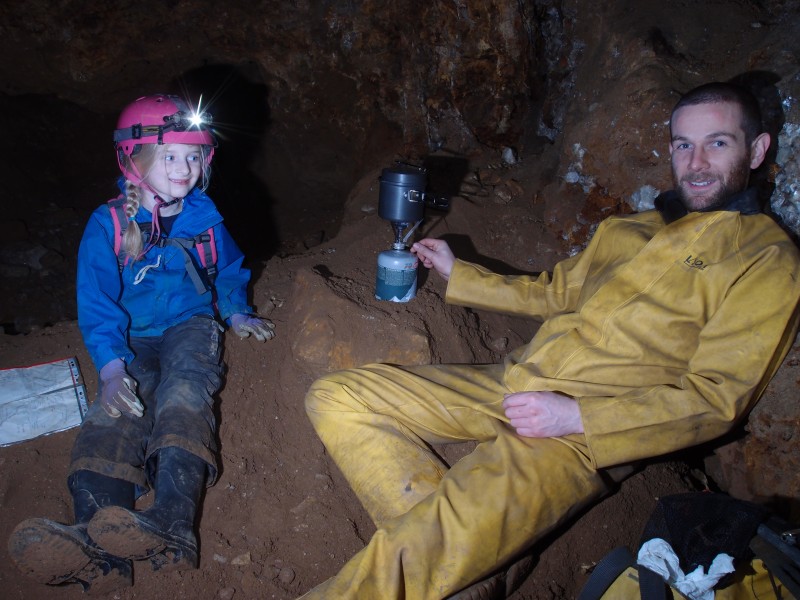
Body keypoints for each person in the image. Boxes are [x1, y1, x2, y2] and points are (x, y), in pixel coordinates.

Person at [299, 81, 800, 599]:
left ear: (757, 149)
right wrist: (460, 274)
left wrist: (576, 417)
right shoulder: (635, 229)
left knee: (397, 565)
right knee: (336, 396)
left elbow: (717, 400)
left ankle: (442, 546)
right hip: (512, 381)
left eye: (717, 143)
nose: (695, 163)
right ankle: (469, 555)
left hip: (575, 437)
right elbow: (555, 292)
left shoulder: (766, 261)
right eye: (682, 145)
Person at [7, 94, 275, 594]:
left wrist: (236, 311)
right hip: (131, 337)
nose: (185, 168)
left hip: (190, 325)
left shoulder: (205, 219)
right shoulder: (109, 224)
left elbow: (229, 270)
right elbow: (97, 302)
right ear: (136, 159)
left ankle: (171, 523)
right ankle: (95, 543)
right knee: (117, 410)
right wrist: (111, 366)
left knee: (185, 391)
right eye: (170, 156)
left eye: (194, 156)